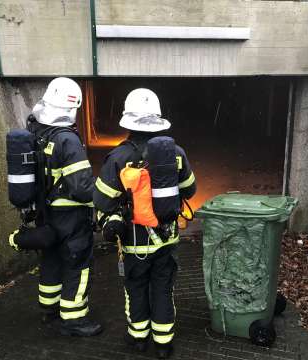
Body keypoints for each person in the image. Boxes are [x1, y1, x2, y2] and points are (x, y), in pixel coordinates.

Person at [93, 88, 196, 359]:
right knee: (163, 288)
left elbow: (102, 199)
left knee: (136, 288)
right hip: (166, 238)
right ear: (158, 118)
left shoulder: (119, 157)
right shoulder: (176, 152)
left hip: (134, 242)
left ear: (128, 121)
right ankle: (163, 343)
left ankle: (138, 339)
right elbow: (190, 189)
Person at [28, 77, 102, 336]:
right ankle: (74, 320)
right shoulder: (67, 140)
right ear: (73, 107)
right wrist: (103, 199)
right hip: (70, 216)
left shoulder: (36, 131)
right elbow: (82, 188)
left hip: (45, 212)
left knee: (51, 258)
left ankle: (49, 309)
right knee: (76, 263)